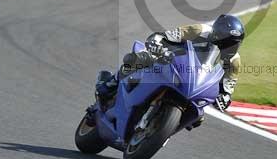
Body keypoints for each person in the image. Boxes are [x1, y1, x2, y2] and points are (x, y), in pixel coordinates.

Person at [95, 14, 245, 112]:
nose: (230, 47)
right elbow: (168, 36)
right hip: (171, 58)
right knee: (140, 58)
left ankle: (161, 129)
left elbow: (227, 87)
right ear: (216, 35)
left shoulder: (233, 61)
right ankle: (111, 83)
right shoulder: (200, 30)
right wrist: (157, 42)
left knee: (198, 115)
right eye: (227, 42)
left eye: (235, 43)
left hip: (194, 80)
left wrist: (224, 98)